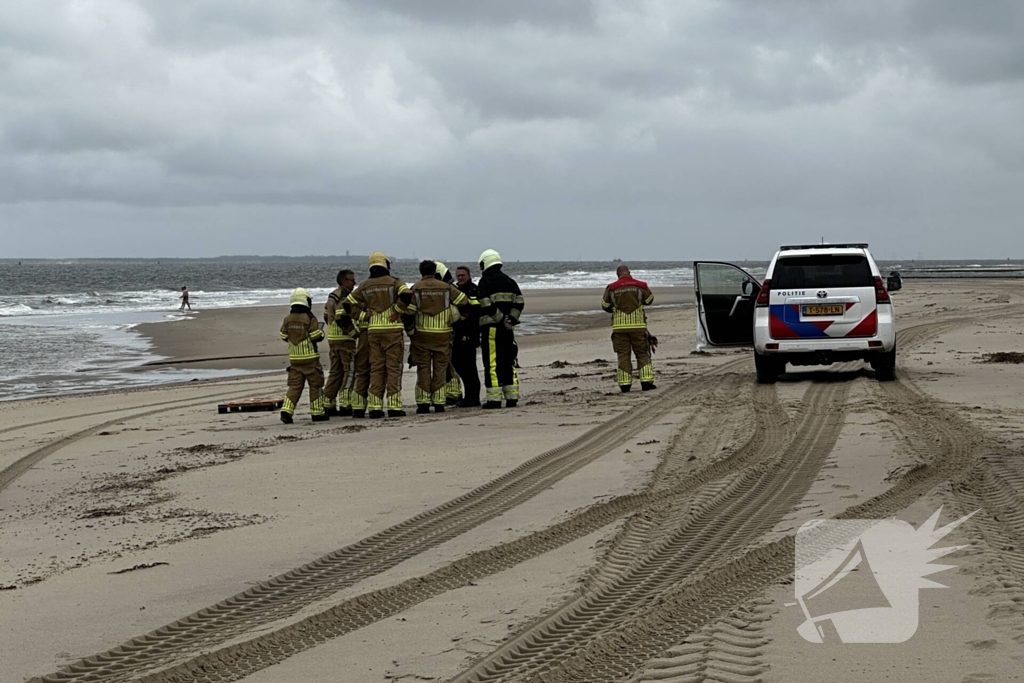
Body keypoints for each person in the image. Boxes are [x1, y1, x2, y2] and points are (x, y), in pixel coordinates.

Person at [343, 252, 411, 418]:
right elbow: (407, 294)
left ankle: (375, 407)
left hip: (373, 331)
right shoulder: (394, 282)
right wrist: (397, 310)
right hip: (392, 330)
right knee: (393, 368)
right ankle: (394, 407)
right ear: (386, 264)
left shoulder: (365, 285)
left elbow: (347, 304)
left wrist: (363, 316)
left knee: (376, 369)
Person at [404, 260, 471, 414]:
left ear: (421, 272)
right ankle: (439, 403)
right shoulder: (447, 288)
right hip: (442, 336)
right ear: (435, 272)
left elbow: (408, 314)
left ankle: (423, 403)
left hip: (421, 336)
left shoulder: (416, 288)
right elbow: (465, 303)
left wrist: (411, 333)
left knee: (423, 369)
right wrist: (460, 319)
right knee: (440, 370)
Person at [476, 249, 524, 409]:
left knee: (492, 362)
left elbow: (485, 303)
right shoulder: (510, 282)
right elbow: (519, 302)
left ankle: (494, 399)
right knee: (508, 360)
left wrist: (501, 319)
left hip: (492, 328)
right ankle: (512, 397)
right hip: (508, 329)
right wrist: (511, 319)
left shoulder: (485, 282)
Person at [601, 265, 656, 392]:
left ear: (617, 274)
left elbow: (604, 305)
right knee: (642, 354)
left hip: (619, 328)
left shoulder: (611, 287)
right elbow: (649, 300)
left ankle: (625, 385)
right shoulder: (641, 285)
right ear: (629, 273)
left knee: (623, 356)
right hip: (638, 326)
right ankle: (646, 382)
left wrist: (615, 309)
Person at [279, 288, 327, 423]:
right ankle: (317, 412)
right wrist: (321, 333)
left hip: (295, 359)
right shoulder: (310, 318)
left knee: (294, 386)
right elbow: (315, 336)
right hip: (310, 358)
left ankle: (286, 411)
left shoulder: (287, 319)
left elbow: (283, 335)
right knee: (315, 385)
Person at [323, 269, 359, 416]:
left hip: (333, 340)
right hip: (345, 341)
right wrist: (354, 333)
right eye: (351, 280)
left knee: (335, 372)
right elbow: (340, 317)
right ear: (344, 281)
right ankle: (345, 402)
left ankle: (327, 401)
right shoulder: (345, 297)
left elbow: (326, 316)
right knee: (350, 372)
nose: (354, 283)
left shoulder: (332, 296)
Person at [451, 265, 481, 407]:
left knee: (469, 367)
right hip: (458, 333)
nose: (460, 278)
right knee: (458, 363)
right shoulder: (455, 290)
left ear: (469, 275)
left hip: (470, 333)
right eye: (458, 276)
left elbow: (475, 311)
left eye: (463, 275)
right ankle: (469, 395)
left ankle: (473, 397)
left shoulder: (473, 290)